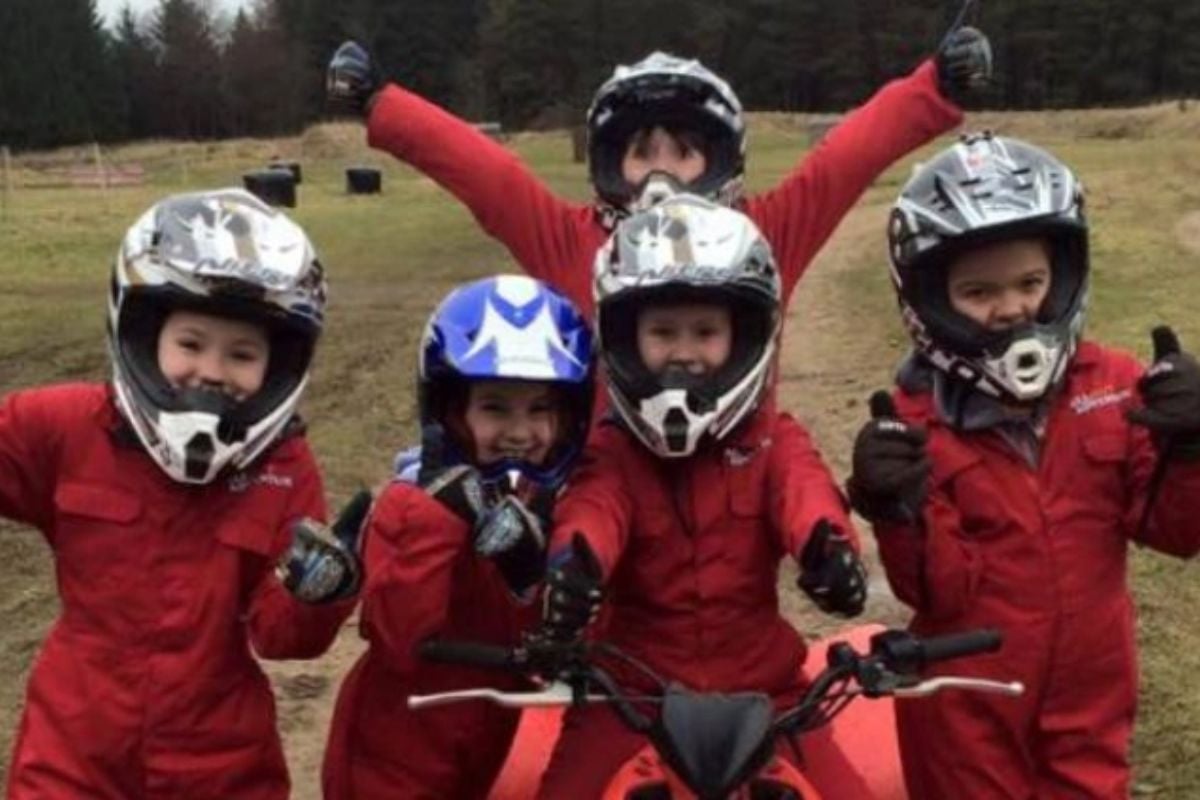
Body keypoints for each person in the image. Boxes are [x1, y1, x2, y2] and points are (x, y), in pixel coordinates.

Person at [847, 132, 1200, 799]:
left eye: (1030, 283)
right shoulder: (917, 422)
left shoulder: (1114, 386)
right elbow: (936, 592)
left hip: (1092, 686)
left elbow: (1175, 532)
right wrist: (895, 507)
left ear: (1061, 277)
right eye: (978, 290)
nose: (1011, 307)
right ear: (931, 300)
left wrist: (1188, 450)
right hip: (968, 695)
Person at [3, 188, 358, 799]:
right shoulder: (71, 427)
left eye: (242, 354)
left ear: (278, 365)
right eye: (191, 344)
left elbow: (281, 638)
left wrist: (319, 591)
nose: (213, 371)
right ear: (145, 335)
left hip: (219, 760)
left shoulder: (284, 467)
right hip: (73, 755)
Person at [533, 194, 869, 797]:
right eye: (663, 332)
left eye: (706, 332)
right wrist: (575, 564)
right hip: (629, 695)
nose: (684, 352)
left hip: (769, 692)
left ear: (743, 337)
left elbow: (804, 490)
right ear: (626, 338)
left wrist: (827, 546)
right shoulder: (611, 448)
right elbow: (594, 508)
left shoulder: (771, 438)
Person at [324, 29, 991, 321]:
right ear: (612, 165)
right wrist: (383, 103)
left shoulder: (764, 238)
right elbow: (487, 174)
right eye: (642, 152)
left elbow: (844, 160)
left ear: (720, 160)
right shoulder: (572, 241)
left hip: (734, 523)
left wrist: (932, 86)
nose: (661, 171)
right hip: (604, 521)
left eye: (683, 150)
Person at [322, 275, 595, 799]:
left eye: (539, 409)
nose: (520, 431)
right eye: (495, 407)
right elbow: (398, 636)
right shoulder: (408, 500)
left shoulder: (561, 502)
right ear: (451, 411)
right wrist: (436, 518)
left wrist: (530, 577)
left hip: (497, 735)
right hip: (399, 745)